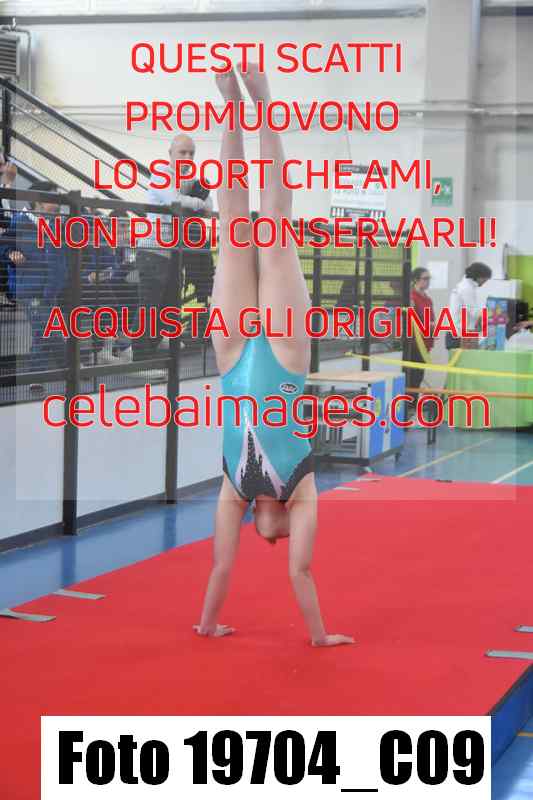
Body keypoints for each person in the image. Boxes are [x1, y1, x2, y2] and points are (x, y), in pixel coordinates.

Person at [194, 65, 354, 648]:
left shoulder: (233, 488)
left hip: (233, 356)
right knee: (275, 227)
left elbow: (221, 566)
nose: (270, 532)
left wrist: (207, 625)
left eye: (268, 533)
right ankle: (263, 100)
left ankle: (231, 106)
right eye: (277, 532)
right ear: (282, 522)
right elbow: (301, 572)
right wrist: (321, 636)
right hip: (285, 356)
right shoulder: (301, 488)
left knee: (233, 226)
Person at [133, 133, 215, 361]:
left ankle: (151, 350)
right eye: (182, 152)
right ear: (171, 153)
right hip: (153, 251)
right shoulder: (162, 174)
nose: (187, 157)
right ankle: (139, 357)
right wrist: (197, 203)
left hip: (172, 253)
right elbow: (174, 201)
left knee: (168, 304)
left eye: (191, 153)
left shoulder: (186, 180)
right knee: (150, 306)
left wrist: (196, 203)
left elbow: (209, 203)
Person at [405, 267, 435, 414]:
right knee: (412, 378)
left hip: (425, 343)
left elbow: (431, 318)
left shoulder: (428, 299)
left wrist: (432, 326)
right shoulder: (411, 297)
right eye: (425, 278)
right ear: (416, 280)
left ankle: (412, 407)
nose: (428, 281)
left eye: (429, 279)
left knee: (418, 377)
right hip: (414, 344)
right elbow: (410, 319)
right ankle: (409, 409)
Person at [446, 262, 492, 350]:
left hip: (458, 334)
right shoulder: (466, 288)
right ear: (479, 276)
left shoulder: (466, 286)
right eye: (485, 280)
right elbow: (474, 312)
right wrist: (493, 313)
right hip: (459, 335)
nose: (484, 283)